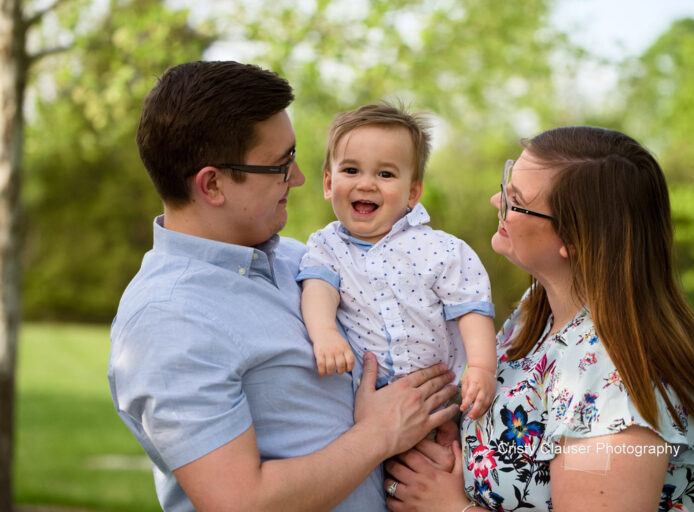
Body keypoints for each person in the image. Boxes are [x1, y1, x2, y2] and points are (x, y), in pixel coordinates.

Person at [107, 61, 460, 512]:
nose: (298, 178)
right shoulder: (167, 319)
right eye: (280, 165)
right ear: (212, 184)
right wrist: (378, 436)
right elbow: (240, 501)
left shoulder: (301, 257)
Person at [382, 126, 694, 511]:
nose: (495, 200)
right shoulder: (535, 311)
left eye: (515, 200)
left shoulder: (618, 380)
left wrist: (449, 508)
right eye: (506, 183)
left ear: (574, 239)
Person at [297, 103, 497, 419]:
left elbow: (471, 307)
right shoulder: (327, 246)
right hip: (368, 404)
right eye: (351, 170)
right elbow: (319, 288)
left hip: (441, 397)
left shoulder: (439, 249)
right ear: (328, 183)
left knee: (445, 456)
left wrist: (482, 366)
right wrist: (324, 333)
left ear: (412, 193)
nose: (366, 184)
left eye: (385, 174)